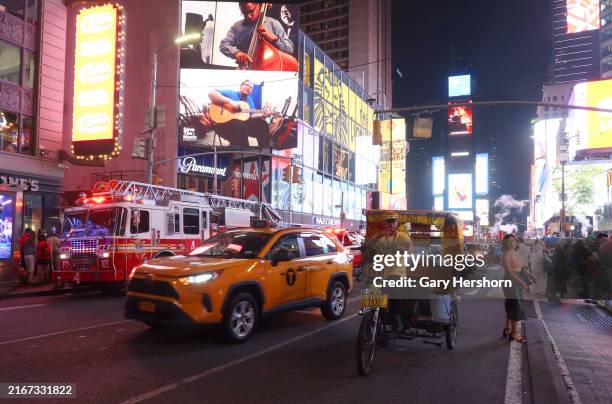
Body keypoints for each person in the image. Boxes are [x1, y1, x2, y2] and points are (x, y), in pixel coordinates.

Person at [219, 2, 294, 70]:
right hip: (244, 69)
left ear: (259, 6)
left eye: (251, 12)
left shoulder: (273, 23)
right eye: (244, 13)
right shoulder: (237, 26)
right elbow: (224, 45)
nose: (248, 16)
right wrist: (237, 53)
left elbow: (290, 49)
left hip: (268, 70)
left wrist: (275, 39)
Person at [208, 80, 272, 148]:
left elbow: (251, 115)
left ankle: (264, 152)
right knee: (240, 127)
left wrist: (263, 114)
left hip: (241, 124)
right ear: (241, 86)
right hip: (222, 124)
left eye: (251, 88)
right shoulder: (231, 93)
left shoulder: (249, 100)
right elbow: (211, 94)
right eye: (247, 85)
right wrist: (231, 102)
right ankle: (242, 153)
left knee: (262, 124)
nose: (249, 88)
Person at [501, 234, 528, 343]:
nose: (510, 243)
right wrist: (521, 282)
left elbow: (521, 268)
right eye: (508, 241)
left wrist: (529, 276)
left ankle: (508, 329)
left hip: (517, 280)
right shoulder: (506, 254)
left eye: (512, 241)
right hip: (511, 281)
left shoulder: (515, 253)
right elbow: (509, 272)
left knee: (512, 305)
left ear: (516, 242)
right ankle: (514, 333)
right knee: (516, 306)